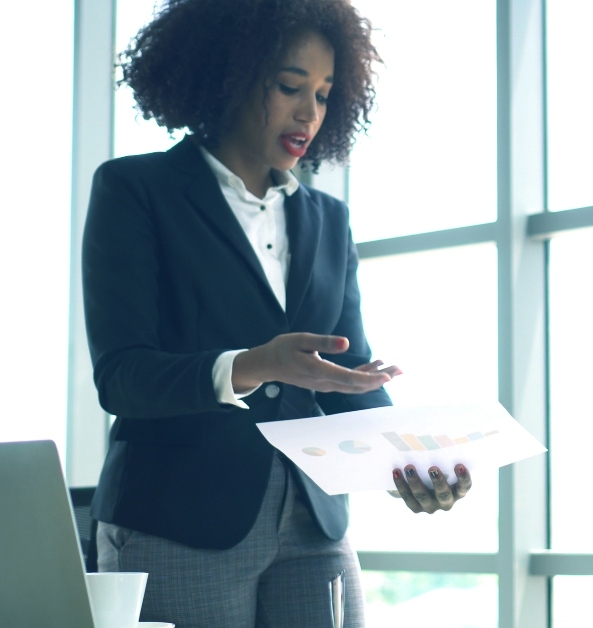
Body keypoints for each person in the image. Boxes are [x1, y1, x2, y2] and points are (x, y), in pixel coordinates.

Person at [83, 1, 471, 626]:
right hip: (178, 520)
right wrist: (255, 365)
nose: (309, 113)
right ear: (227, 74)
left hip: (314, 523)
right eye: (290, 86)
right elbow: (122, 377)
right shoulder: (135, 191)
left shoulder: (328, 220)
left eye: (322, 94)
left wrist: (409, 463)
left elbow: (348, 386)